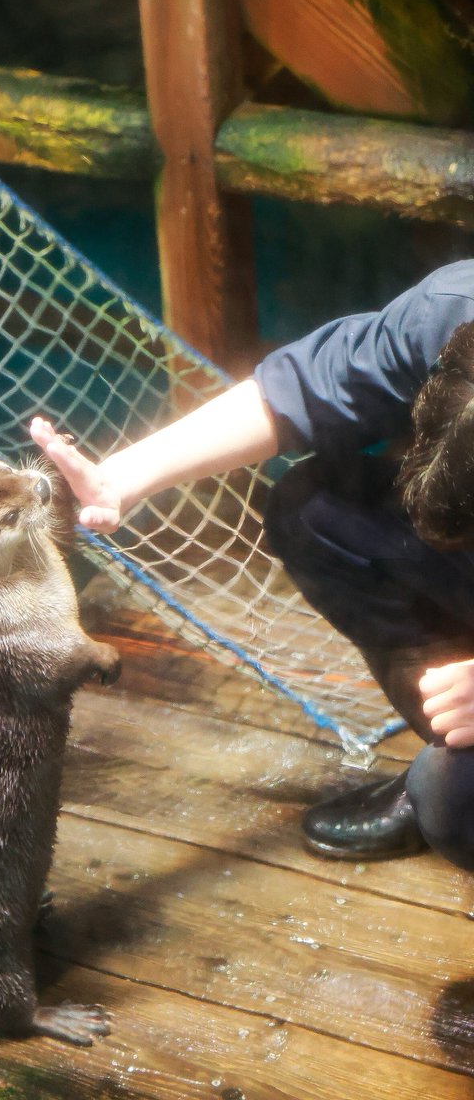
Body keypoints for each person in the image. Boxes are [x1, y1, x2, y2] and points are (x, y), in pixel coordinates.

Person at [30, 260, 474, 870]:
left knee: (452, 806)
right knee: (313, 509)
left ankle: (448, 778)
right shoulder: (454, 310)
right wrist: (121, 478)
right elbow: (304, 387)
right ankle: (450, 743)